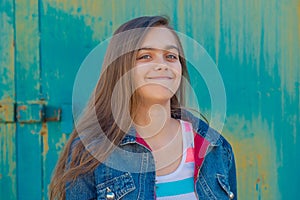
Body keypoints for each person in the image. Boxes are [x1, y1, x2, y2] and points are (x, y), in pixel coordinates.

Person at [49, 15, 237, 200]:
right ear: (121, 68)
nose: (162, 65)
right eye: (146, 56)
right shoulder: (92, 150)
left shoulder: (215, 147)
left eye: (171, 56)